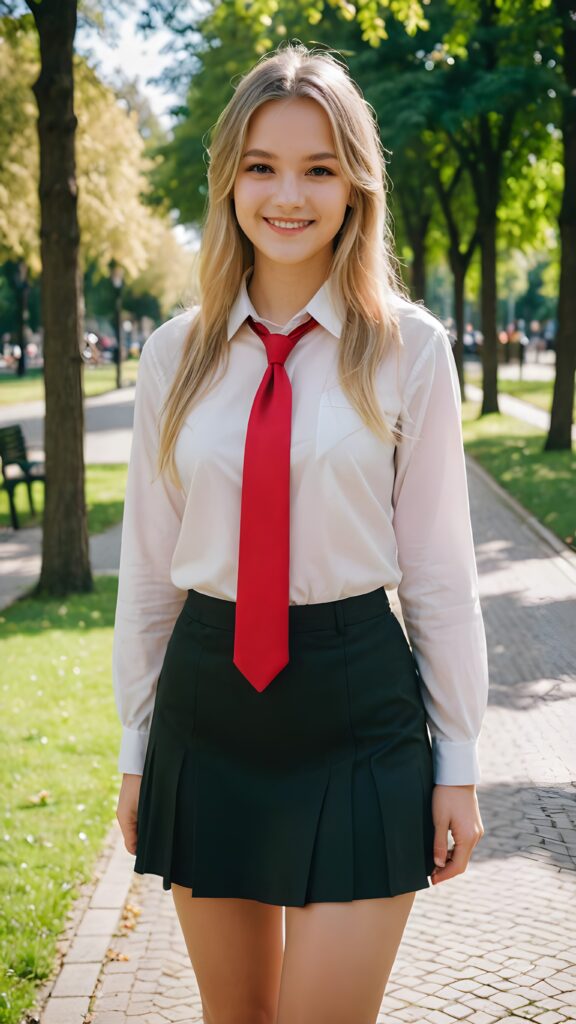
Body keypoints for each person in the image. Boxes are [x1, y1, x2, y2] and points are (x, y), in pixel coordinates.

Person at [113, 42, 488, 1024]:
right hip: (208, 702)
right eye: (263, 164)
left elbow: (443, 569)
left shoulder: (411, 349)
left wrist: (457, 762)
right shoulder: (171, 356)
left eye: (319, 167)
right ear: (230, 176)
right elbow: (150, 574)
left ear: (355, 184)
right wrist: (136, 746)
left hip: (357, 707)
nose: (289, 193)